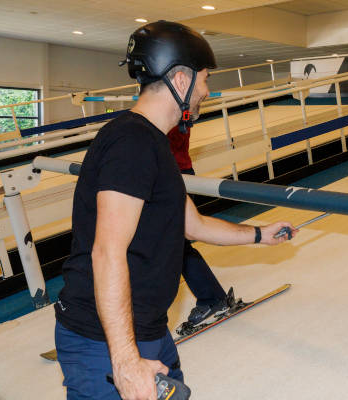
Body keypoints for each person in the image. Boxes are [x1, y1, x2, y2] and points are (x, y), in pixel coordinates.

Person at [54, 20, 297, 400]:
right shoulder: (132, 143)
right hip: (103, 341)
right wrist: (125, 362)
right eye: (204, 79)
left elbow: (193, 225)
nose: (207, 90)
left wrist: (259, 234)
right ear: (180, 81)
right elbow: (107, 251)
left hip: (147, 327)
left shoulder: (154, 145)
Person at [166, 124, 236, 333]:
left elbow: (173, 139)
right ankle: (212, 297)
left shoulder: (179, 112)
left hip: (177, 177)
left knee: (177, 244)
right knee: (172, 244)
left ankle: (212, 298)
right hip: (164, 177)